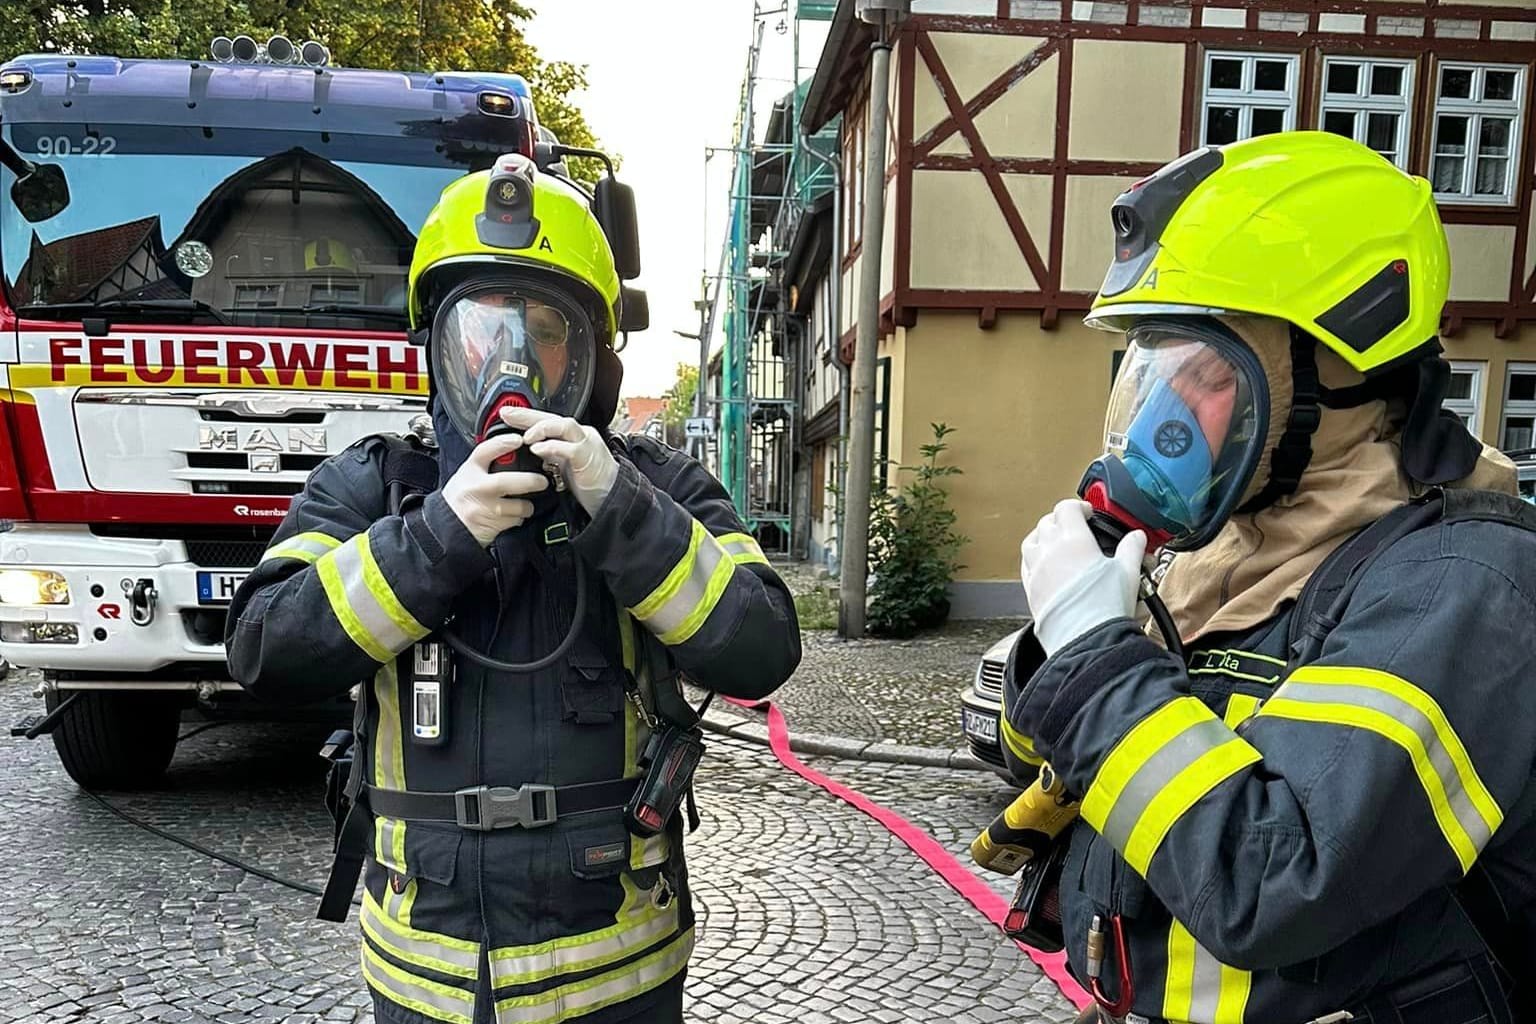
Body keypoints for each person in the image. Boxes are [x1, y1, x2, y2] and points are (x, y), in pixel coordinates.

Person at [226, 152, 801, 1024]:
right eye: (484, 327)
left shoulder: (657, 488)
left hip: (619, 982)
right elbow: (264, 647)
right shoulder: (374, 487)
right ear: (439, 348)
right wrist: (437, 538)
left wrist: (619, 510)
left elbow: (763, 647)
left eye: (545, 328)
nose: (512, 359)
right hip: (432, 984)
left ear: (590, 359)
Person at [1002, 131, 1534, 1024]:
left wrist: (1097, 656)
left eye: (1205, 372)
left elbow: (1273, 880)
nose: (1165, 413)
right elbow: (1087, 764)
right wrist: (1057, 639)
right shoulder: (1230, 553)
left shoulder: (1462, 586)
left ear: (1337, 368)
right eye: (1156, 370)